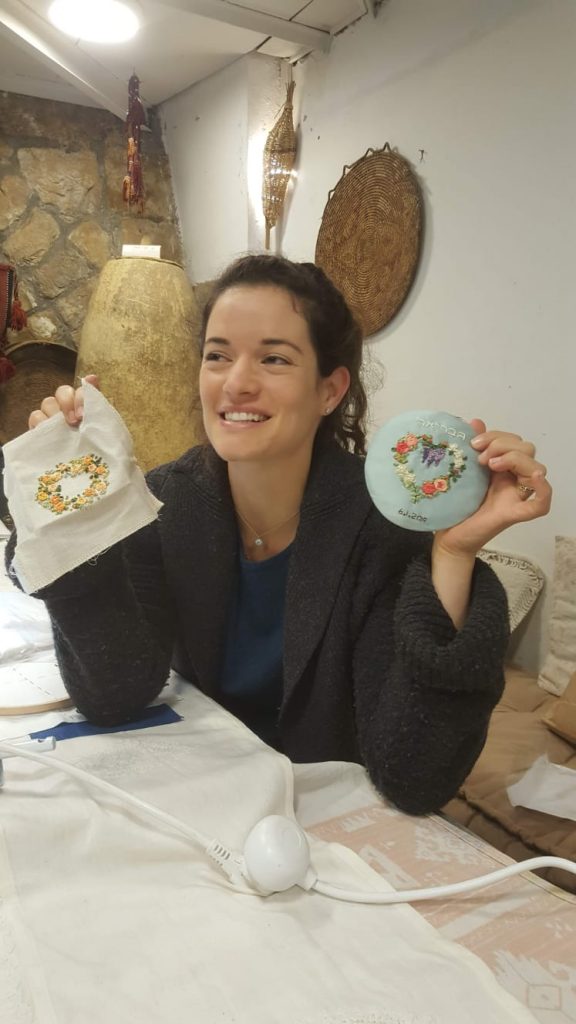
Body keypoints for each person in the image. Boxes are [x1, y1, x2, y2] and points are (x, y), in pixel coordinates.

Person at [7, 255, 551, 814]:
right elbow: (115, 694)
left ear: (329, 390)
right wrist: (72, 522)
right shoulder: (168, 501)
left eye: (274, 359)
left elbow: (415, 778)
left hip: (321, 818)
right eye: (217, 356)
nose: (237, 383)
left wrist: (455, 553)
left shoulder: (382, 529)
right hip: (194, 794)